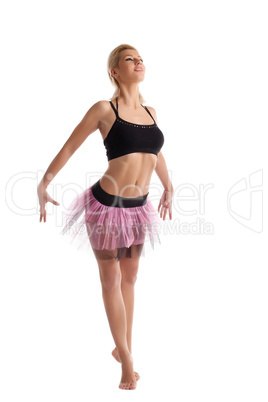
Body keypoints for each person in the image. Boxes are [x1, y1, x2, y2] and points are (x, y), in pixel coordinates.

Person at [37, 44, 174, 390]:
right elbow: (70, 146)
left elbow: (155, 153)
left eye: (140, 58)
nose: (139, 62)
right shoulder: (104, 109)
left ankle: (121, 347)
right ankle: (127, 361)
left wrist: (168, 186)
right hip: (106, 208)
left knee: (130, 279)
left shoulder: (151, 111)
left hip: (139, 209)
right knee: (111, 281)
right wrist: (44, 182)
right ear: (115, 70)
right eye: (130, 59)